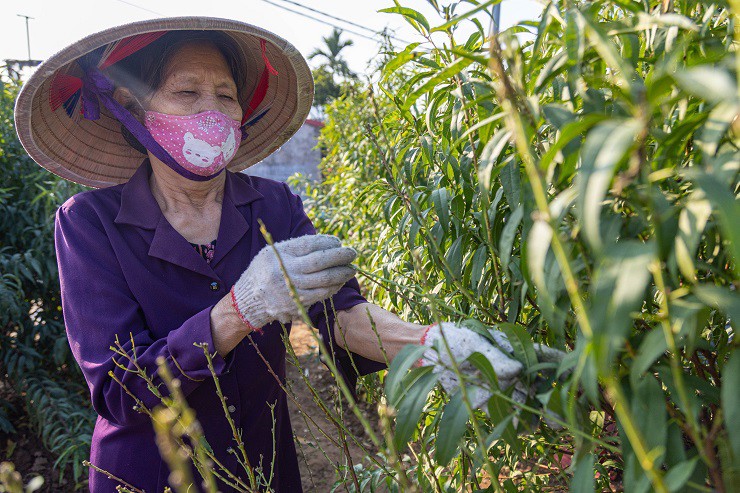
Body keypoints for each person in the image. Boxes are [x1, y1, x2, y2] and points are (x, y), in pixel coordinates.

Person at [14, 17, 560, 492]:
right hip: (154, 475)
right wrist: (238, 310)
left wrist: (435, 345)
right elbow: (119, 388)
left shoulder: (272, 205)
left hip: (262, 458)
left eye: (225, 95)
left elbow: (340, 313)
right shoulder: (89, 225)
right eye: (187, 93)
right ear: (133, 108)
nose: (213, 111)